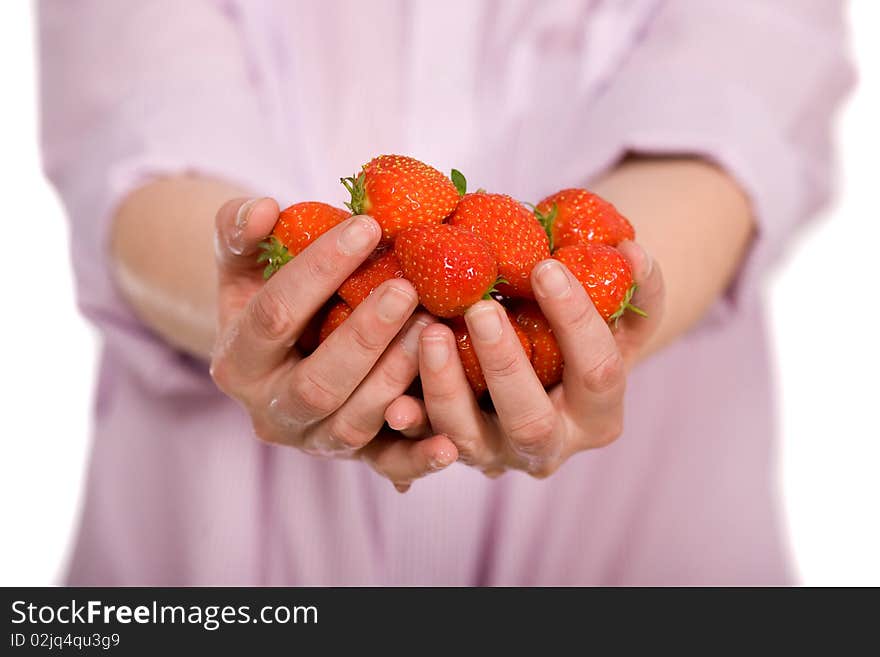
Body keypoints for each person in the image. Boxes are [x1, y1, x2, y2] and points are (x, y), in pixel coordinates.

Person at [38, 1, 853, 585]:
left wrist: (582, 308)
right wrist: (257, 306)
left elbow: (734, 106)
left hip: (645, 545)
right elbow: (139, 129)